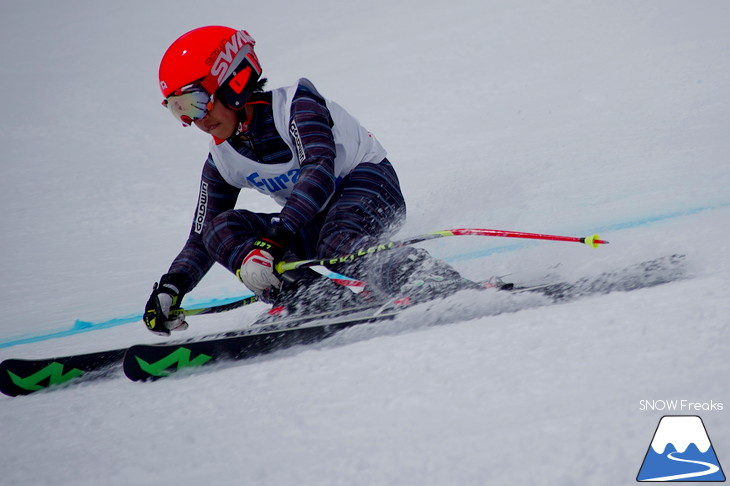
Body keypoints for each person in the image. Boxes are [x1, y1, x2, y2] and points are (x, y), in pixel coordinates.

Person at [143, 26, 468, 336]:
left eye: (196, 102)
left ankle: (425, 278)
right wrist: (172, 287)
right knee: (221, 229)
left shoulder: (296, 105)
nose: (195, 120)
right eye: (179, 109)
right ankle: (311, 297)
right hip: (309, 218)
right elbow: (202, 236)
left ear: (234, 83)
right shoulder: (222, 159)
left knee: (336, 238)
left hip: (370, 187)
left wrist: (272, 240)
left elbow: (319, 173)